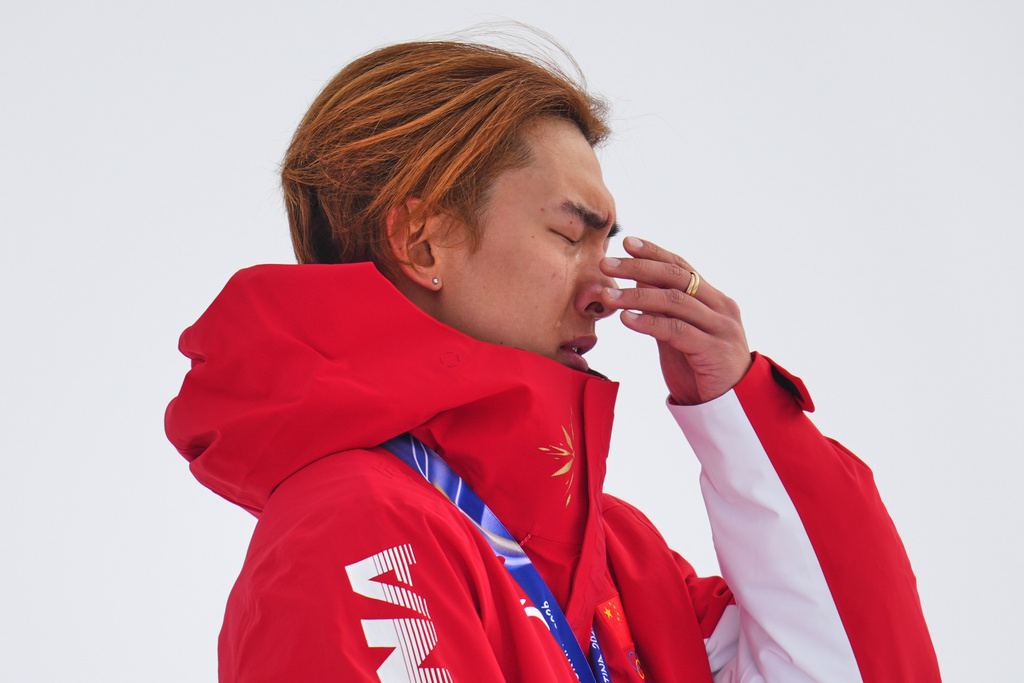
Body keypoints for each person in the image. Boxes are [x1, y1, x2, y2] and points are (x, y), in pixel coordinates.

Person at [165, 38, 940, 682]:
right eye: (571, 236)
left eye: (608, 244)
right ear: (422, 243)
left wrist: (742, 412)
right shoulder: (355, 526)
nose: (605, 288)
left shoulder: (614, 559)